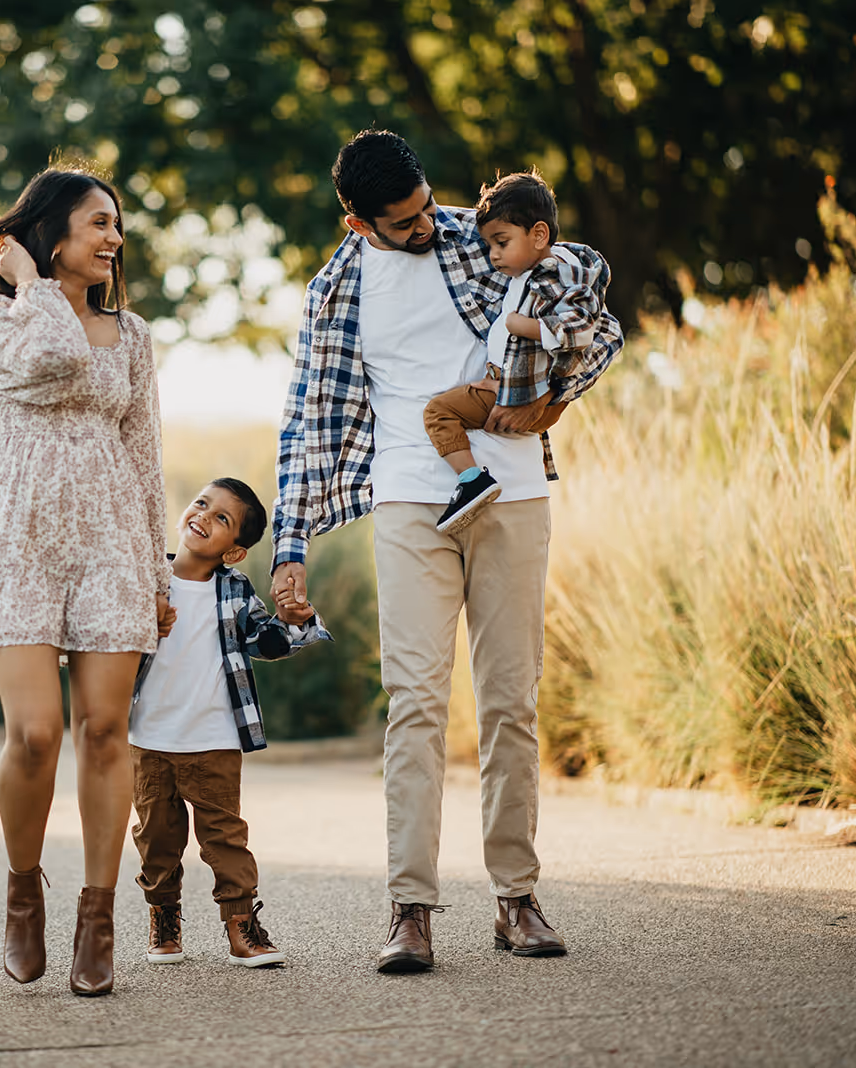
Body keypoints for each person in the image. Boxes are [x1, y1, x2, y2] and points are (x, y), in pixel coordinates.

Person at [270, 131, 623, 973]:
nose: (428, 226)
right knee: (415, 704)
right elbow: (305, 420)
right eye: (404, 221)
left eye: (429, 205)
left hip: (514, 493)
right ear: (360, 224)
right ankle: (411, 909)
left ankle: (516, 899)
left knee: (510, 701)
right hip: (407, 496)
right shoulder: (335, 293)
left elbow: (600, 323)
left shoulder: (490, 235)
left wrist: (554, 393)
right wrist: (288, 544)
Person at [0, 166, 172, 997]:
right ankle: (22, 896)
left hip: (110, 539)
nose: (114, 238)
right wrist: (29, 283)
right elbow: (62, 358)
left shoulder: (134, 336)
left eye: (118, 226)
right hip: (19, 536)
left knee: (105, 732)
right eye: (99, 222)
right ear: (52, 231)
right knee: (35, 733)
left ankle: (97, 919)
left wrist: (156, 569)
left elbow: (145, 460)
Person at [127, 478, 330, 969]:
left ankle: (242, 926)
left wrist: (295, 621)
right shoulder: (147, 577)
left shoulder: (234, 589)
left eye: (222, 519)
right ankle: (164, 916)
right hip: (149, 740)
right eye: (202, 503)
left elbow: (265, 642)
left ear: (235, 552)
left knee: (225, 839)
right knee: (156, 839)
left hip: (215, 739)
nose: (204, 516)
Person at [422, 170, 613, 534]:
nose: (493, 255)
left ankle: (472, 480)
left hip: (524, 393)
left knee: (438, 412)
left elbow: (579, 331)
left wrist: (519, 329)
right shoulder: (529, 275)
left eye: (501, 242)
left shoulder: (552, 277)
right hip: (518, 388)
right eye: (489, 245)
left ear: (539, 234)